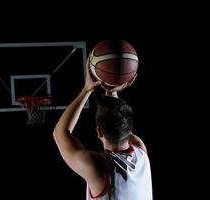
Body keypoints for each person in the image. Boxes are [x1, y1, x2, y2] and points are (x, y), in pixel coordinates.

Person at [53, 55, 153, 200]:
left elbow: (60, 133)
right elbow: (120, 119)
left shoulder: (99, 169)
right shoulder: (141, 152)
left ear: (99, 132)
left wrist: (87, 89)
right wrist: (111, 91)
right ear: (129, 126)